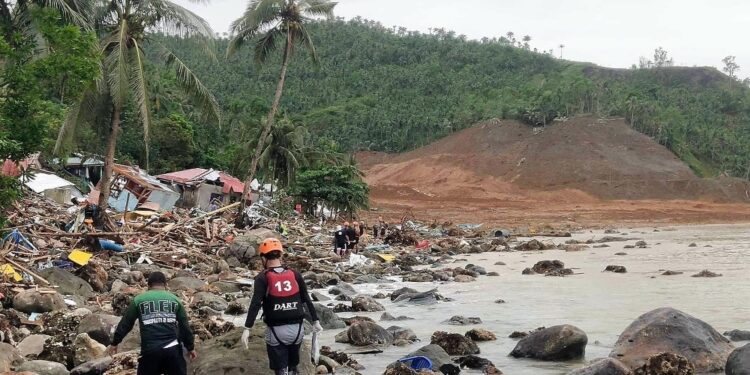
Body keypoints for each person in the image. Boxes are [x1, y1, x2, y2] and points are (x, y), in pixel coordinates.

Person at [242, 238, 322, 375]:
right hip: (297, 331)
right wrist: (316, 321)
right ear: (280, 255)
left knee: (280, 370)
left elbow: (256, 304)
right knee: (292, 366)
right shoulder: (295, 274)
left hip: (275, 331)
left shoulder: (263, 278)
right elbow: (306, 300)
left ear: (263, 257)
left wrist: (247, 328)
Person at [108, 272, 195, 375]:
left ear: (148, 286)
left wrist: (115, 342)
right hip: (172, 350)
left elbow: (126, 323)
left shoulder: (139, 300)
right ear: (165, 285)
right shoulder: (175, 300)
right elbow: (184, 327)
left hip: (150, 351)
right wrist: (190, 347)